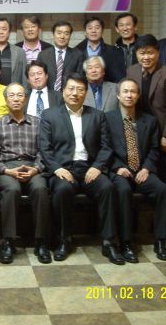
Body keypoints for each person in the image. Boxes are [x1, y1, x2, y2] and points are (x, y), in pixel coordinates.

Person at [39, 73, 124, 265]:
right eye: (71, 89)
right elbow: (45, 148)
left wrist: (98, 167)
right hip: (64, 169)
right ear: (63, 91)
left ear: (86, 93)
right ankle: (64, 240)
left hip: (89, 168)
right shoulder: (50, 115)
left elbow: (106, 147)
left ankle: (109, 242)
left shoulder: (97, 115)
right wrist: (57, 169)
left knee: (108, 188)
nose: (74, 93)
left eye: (80, 89)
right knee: (62, 190)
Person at [107, 79, 166, 262]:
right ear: (118, 95)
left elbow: (154, 149)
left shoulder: (149, 120)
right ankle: (126, 242)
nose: (129, 95)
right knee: (123, 190)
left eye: (133, 92)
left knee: (163, 190)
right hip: (120, 170)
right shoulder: (107, 119)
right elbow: (104, 147)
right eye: (125, 91)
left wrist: (147, 168)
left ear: (138, 95)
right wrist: (117, 167)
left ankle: (160, 241)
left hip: (142, 171)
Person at [0, 83, 51, 264]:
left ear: (25, 99)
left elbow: (44, 150)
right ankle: (8, 241)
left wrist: (36, 168)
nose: (16, 99)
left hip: (33, 166)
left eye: (20, 95)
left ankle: (41, 241)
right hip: (8, 168)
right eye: (12, 95)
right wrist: (6, 170)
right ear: (5, 99)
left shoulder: (38, 123)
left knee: (40, 189)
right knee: (11, 190)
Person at [126, 34, 166, 192]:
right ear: (136, 54)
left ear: (158, 53)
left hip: (162, 129)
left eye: (150, 53)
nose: (146, 57)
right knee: (145, 168)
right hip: (141, 129)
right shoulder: (132, 70)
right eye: (142, 53)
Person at [36, 20, 83, 91]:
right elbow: (38, 77)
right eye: (59, 33)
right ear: (53, 35)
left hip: (69, 94)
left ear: (70, 36)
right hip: (48, 94)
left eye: (66, 33)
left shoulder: (77, 55)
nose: (62, 36)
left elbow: (79, 79)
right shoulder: (43, 55)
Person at [108, 12, 139, 82]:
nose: (125, 28)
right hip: (118, 88)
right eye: (121, 25)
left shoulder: (143, 48)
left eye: (128, 24)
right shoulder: (111, 52)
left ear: (135, 27)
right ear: (117, 29)